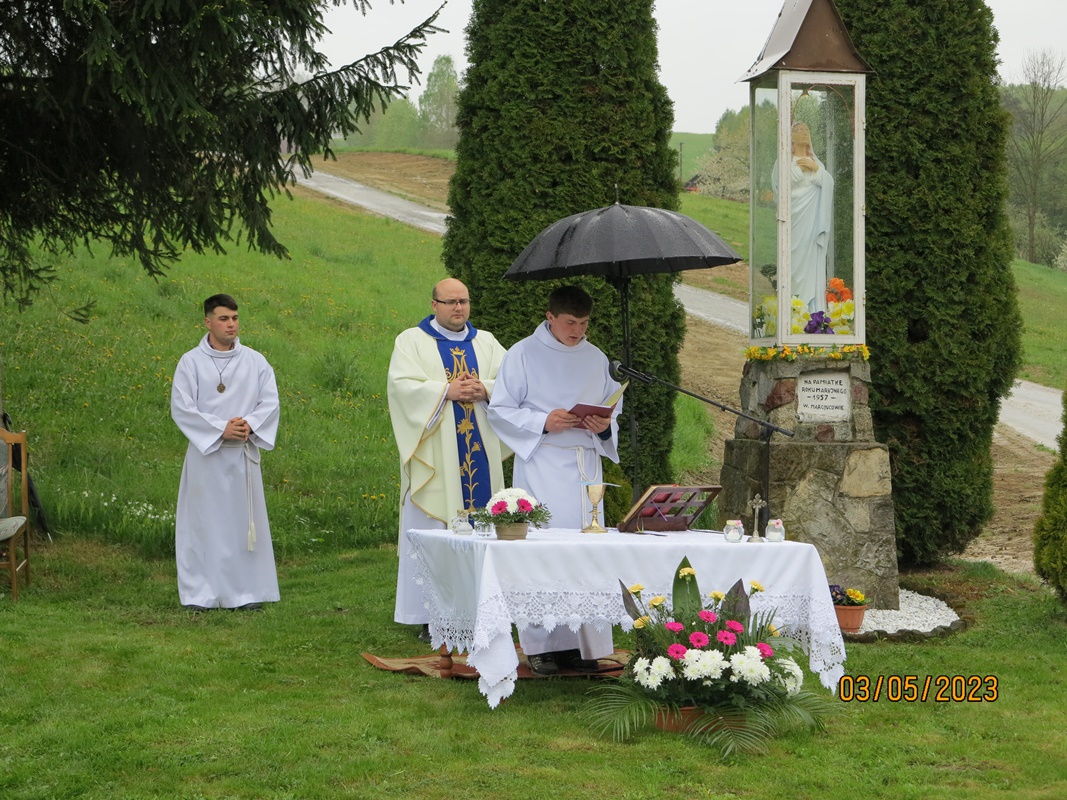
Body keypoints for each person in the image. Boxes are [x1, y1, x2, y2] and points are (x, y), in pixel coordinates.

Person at [488, 285, 622, 675]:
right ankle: (542, 646)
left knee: (586, 555)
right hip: (543, 462)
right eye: (570, 323)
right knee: (543, 552)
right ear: (550, 317)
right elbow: (500, 410)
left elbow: (612, 409)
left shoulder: (597, 358)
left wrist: (602, 426)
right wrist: (542, 421)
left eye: (584, 323)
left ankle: (583, 645)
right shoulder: (522, 354)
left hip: (585, 465)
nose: (578, 331)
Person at [387, 278, 509, 642]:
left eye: (464, 301)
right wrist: (445, 391)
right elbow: (402, 388)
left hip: (479, 453)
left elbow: (513, 383)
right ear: (434, 305)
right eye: (450, 302)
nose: (458, 308)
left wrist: (485, 388)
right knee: (434, 532)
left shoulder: (487, 342)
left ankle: (480, 609)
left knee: (482, 528)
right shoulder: (411, 341)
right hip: (436, 457)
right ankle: (429, 615)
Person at [171, 294, 281, 611]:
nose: (231, 324)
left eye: (234, 318)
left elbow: (270, 402)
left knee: (243, 525)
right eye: (223, 319)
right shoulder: (190, 362)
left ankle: (246, 593)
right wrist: (221, 428)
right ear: (208, 322)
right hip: (207, 457)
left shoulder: (255, 361)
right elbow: (182, 408)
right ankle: (201, 594)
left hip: (243, 455)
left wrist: (249, 425)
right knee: (204, 525)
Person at [771, 121, 835, 313]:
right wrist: (798, 170)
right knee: (793, 261)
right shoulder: (785, 161)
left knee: (810, 263)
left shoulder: (815, 162)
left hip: (812, 224)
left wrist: (815, 169)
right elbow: (778, 186)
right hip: (794, 219)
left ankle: (812, 310)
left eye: (806, 130)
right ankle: (792, 309)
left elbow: (829, 184)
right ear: (791, 137)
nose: (804, 133)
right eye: (799, 130)